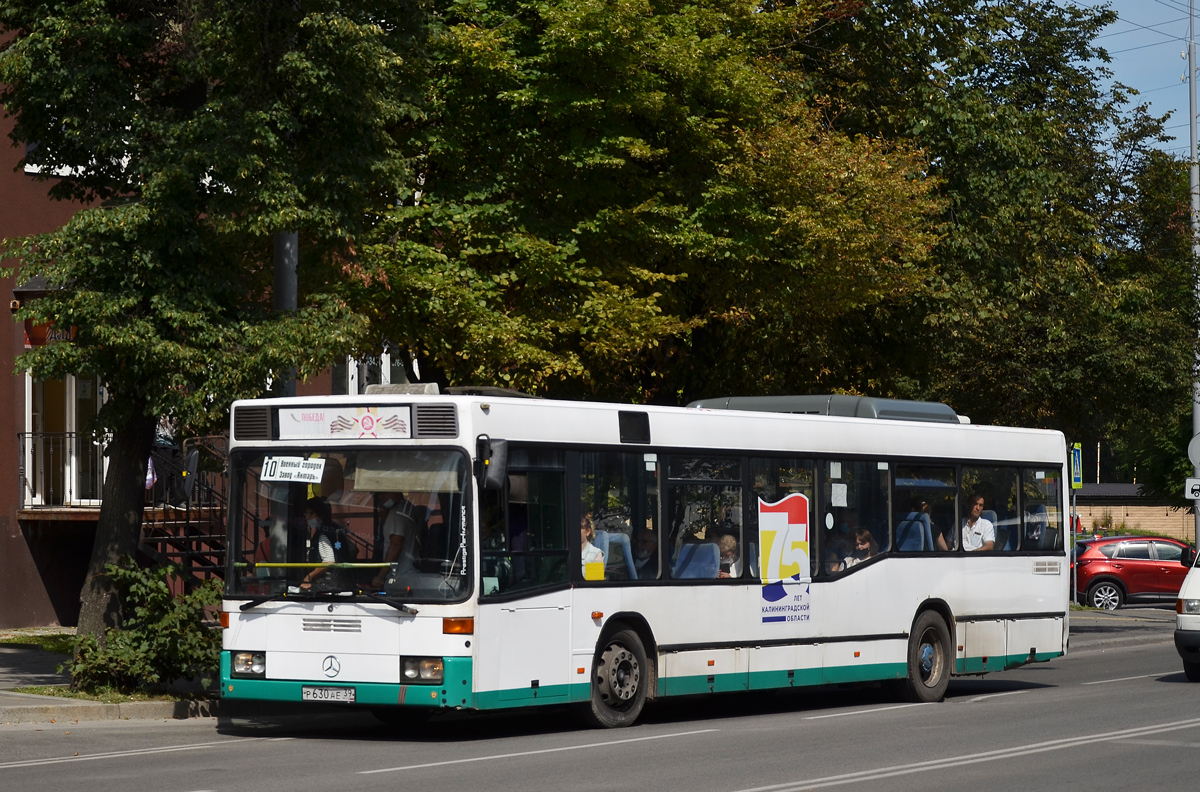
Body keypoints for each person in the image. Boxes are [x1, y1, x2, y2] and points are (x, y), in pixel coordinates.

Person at [371, 493, 418, 588]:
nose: (381, 497)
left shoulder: (397, 513)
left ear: (395, 492)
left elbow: (396, 546)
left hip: (400, 576)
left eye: (384, 494)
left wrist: (380, 577)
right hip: (410, 572)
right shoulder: (408, 508)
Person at [300, 497, 338, 590]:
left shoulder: (323, 535)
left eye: (310, 513)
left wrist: (308, 577)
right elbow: (353, 549)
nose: (307, 517)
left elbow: (328, 562)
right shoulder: (336, 530)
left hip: (326, 586)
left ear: (321, 514)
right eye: (306, 514)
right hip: (338, 584)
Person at [581, 512, 605, 577]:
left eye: (580, 528)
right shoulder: (569, 552)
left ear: (588, 531)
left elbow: (594, 582)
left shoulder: (596, 554)